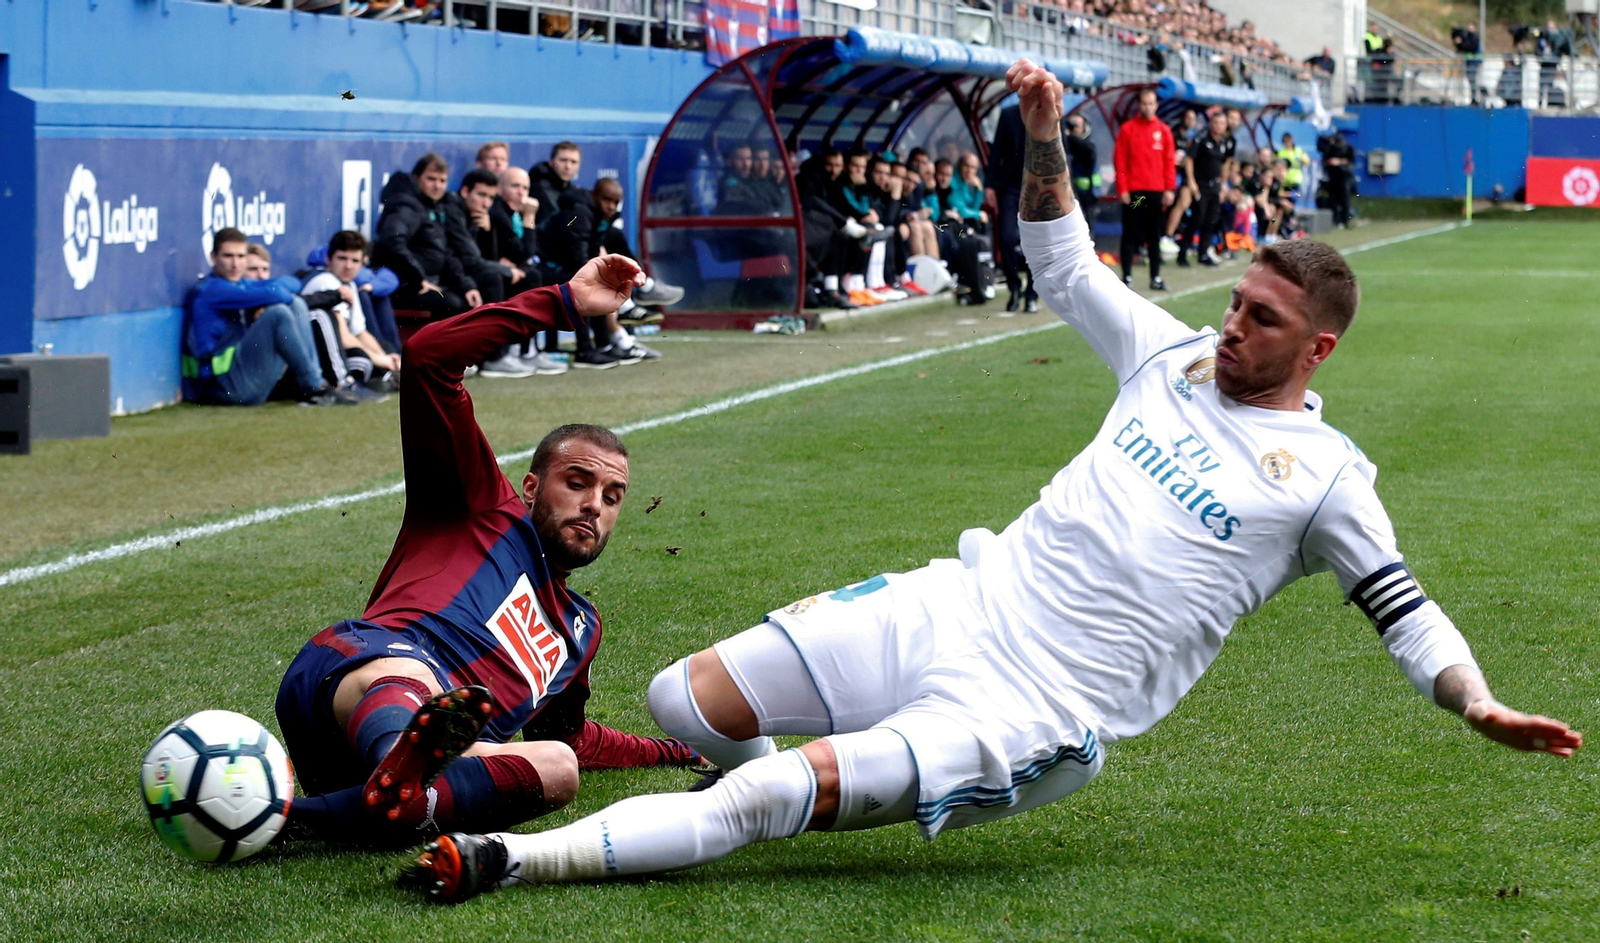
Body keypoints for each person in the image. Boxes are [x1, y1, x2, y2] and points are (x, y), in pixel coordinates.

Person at [401, 59, 1583, 903]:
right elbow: (1062, 260)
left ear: (1315, 349)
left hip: (1033, 708)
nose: (1229, 328)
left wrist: (1471, 698)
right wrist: (1043, 132)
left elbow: (1403, 608)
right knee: (679, 703)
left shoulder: (1325, 478)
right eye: (1233, 303)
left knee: (756, 805)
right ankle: (769, 796)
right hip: (961, 598)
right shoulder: (1168, 358)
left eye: (1261, 320)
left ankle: (520, 860)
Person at [275, 256, 702, 849]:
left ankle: (331, 814)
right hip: (361, 677)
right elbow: (429, 359)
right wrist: (560, 302)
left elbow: (576, 739)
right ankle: (399, 770)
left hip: (443, 754)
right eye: (576, 482)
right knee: (415, 678)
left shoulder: (580, 628)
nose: (593, 505)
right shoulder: (480, 504)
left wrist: (676, 750)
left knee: (558, 769)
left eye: (612, 495)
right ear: (531, 487)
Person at [181, 227, 357, 407]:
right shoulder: (212, 289)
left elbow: (293, 283)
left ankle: (314, 385)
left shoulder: (240, 284)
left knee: (297, 304)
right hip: (223, 388)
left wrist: (265, 298)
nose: (235, 264)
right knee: (278, 313)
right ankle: (313, 386)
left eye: (241, 257)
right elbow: (280, 294)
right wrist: (266, 299)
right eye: (228, 256)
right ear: (213, 257)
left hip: (241, 378)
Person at [542, 177, 674, 365]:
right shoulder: (579, 213)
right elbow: (576, 258)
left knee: (599, 277)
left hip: (566, 266)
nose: (611, 206)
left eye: (615, 202)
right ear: (594, 195)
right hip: (549, 267)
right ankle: (585, 350)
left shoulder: (599, 215)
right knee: (587, 286)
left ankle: (605, 344)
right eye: (607, 200)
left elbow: (591, 250)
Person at [373, 153, 482, 321]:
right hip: (404, 284)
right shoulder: (406, 206)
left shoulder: (434, 207)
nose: (437, 186)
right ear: (416, 178)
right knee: (453, 303)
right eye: (431, 179)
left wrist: (466, 286)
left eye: (442, 181)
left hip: (428, 281)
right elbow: (393, 241)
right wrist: (418, 278)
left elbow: (445, 253)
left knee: (468, 297)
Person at [301, 230, 402, 395]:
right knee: (364, 361)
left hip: (338, 351)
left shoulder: (351, 285)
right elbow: (344, 337)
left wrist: (386, 356)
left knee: (385, 347)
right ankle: (377, 380)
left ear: (362, 264)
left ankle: (389, 375)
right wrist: (380, 360)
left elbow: (360, 332)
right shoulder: (326, 281)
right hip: (318, 357)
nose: (348, 266)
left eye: (355, 260)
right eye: (342, 258)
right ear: (328, 259)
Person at [1113, 86, 1176, 291]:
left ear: (1156, 105)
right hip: (1135, 192)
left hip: (1156, 190)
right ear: (1139, 105)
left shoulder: (1164, 131)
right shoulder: (1128, 129)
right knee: (1130, 233)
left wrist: (1169, 188)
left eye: (1151, 103)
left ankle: (1155, 276)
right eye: (1144, 103)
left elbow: (1169, 161)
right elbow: (1120, 161)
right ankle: (1127, 277)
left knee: (1154, 235)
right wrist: (1122, 187)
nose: (1148, 107)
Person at [986, 102, 1038, 312]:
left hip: (1038, 186)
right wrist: (989, 185)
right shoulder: (1008, 115)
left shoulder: (1049, 112)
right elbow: (997, 150)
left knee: (1035, 241)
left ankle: (1032, 294)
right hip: (1011, 186)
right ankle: (1014, 286)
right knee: (1007, 238)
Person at [1176, 108, 1235, 268]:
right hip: (1201, 184)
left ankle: (1203, 253)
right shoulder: (1201, 138)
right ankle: (1183, 253)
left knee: (1211, 221)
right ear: (1211, 123)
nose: (1219, 126)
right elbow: (1189, 160)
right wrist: (1192, 182)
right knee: (1197, 219)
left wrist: (1223, 184)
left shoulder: (1224, 142)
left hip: (1215, 186)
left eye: (1222, 123)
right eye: (1216, 122)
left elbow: (1225, 164)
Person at [530, 141, 581, 229]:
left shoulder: (573, 192)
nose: (568, 166)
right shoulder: (537, 187)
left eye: (573, 162)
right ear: (551, 161)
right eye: (563, 160)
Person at [1065, 112, 1100, 226]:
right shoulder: (1067, 144)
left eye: (1076, 126)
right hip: (1070, 195)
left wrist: (1068, 135)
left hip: (1087, 194)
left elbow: (1086, 150)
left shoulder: (1088, 145)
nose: (1073, 129)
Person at [1318, 131, 1356, 228]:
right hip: (1333, 177)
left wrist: (1338, 161)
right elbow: (1325, 161)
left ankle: (1345, 219)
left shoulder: (1348, 148)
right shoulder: (1330, 149)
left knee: (1345, 199)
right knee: (1333, 199)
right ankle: (1337, 219)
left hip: (1344, 177)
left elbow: (1351, 161)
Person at [1276, 133, 1311, 197]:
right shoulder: (1280, 152)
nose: (1287, 142)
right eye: (1285, 140)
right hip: (1284, 180)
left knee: (1294, 197)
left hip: (1295, 179)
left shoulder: (1298, 151)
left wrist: (1302, 160)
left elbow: (1307, 161)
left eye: (1289, 140)